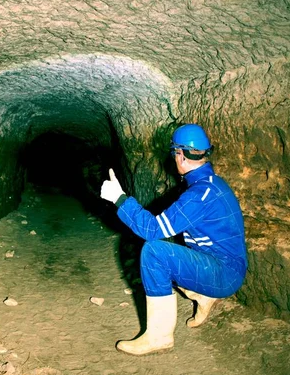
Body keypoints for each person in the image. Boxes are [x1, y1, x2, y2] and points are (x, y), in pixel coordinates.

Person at [100, 124, 247, 356]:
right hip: (227, 266)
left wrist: (119, 199)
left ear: (180, 155)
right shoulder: (213, 184)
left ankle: (159, 337)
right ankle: (204, 295)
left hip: (223, 273)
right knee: (173, 249)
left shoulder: (199, 195)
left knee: (155, 251)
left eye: (174, 153)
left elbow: (151, 230)